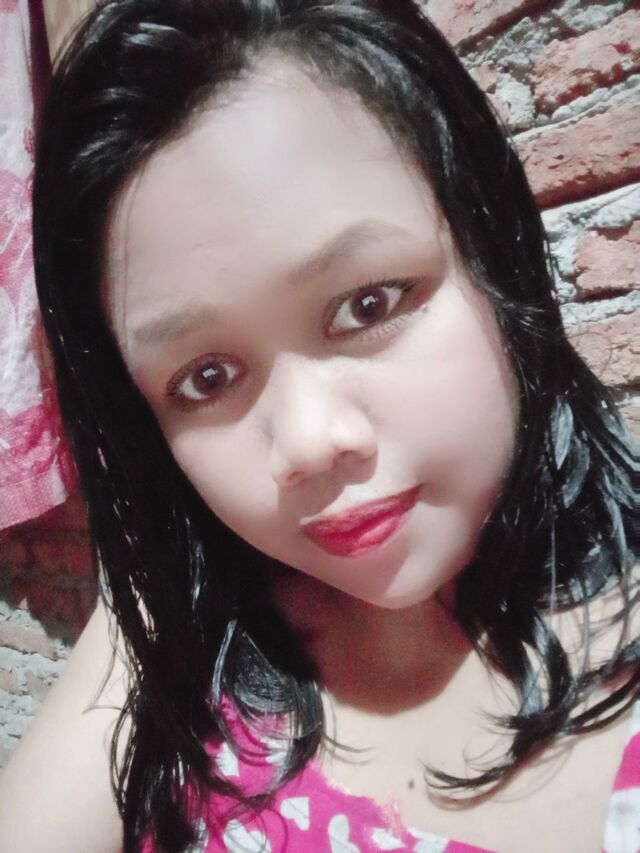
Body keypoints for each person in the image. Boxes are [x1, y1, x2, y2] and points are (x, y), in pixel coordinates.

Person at [0, 1, 637, 851]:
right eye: (205, 378)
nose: (306, 443)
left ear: (493, 253)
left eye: (367, 304)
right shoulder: (185, 627)